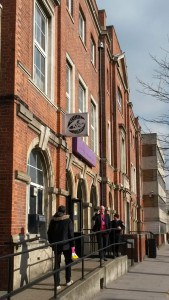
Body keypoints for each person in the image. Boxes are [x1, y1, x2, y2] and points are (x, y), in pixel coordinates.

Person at [47, 205, 75, 290]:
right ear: (64, 212)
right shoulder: (68, 220)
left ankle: (57, 284)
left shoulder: (53, 220)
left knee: (57, 264)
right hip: (66, 245)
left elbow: (49, 233)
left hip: (56, 245)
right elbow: (71, 234)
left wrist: (52, 244)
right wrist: (73, 246)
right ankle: (68, 280)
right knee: (68, 262)